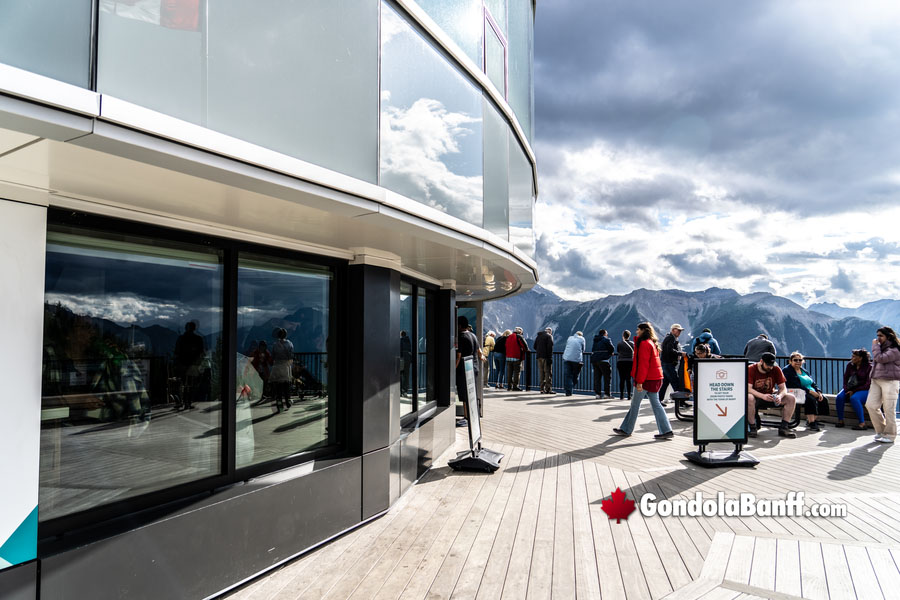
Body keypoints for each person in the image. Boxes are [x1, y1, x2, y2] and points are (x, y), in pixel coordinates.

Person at [613, 322, 673, 439]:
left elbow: (643, 365)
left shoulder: (644, 344)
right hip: (655, 378)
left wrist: (639, 381)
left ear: (643, 330)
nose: (636, 332)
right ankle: (666, 430)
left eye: (638, 330)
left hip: (646, 379)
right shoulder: (651, 343)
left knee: (635, 405)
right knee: (656, 405)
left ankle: (626, 429)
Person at [747, 352, 797, 438]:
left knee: (791, 398)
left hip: (770, 395)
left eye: (772, 365)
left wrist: (779, 396)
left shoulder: (776, 369)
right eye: (768, 365)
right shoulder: (751, 369)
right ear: (761, 361)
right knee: (749, 397)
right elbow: (749, 389)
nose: (770, 367)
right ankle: (752, 427)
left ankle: (784, 427)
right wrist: (762, 396)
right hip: (756, 396)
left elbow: (783, 388)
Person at [866, 326, 900, 444]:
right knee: (870, 405)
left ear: (888, 336)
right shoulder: (881, 348)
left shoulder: (895, 350)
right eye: (877, 336)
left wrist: (875, 346)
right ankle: (881, 431)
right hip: (876, 380)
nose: (878, 338)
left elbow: (880, 359)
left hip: (890, 381)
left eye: (881, 336)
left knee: (889, 409)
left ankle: (890, 435)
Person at [782, 352, 829, 431]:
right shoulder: (787, 370)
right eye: (795, 360)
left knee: (824, 399)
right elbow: (795, 384)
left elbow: (812, 382)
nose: (798, 362)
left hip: (809, 391)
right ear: (790, 361)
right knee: (810, 399)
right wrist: (810, 392)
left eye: (800, 360)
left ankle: (813, 419)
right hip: (795, 392)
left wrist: (819, 392)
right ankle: (812, 423)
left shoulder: (804, 371)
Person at [835, 349, 871, 429]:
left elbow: (868, 384)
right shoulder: (850, 365)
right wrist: (846, 389)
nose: (852, 358)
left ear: (860, 358)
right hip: (850, 388)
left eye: (854, 356)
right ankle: (840, 420)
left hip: (864, 390)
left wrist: (854, 391)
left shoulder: (869, 367)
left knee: (854, 398)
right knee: (839, 397)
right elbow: (845, 379)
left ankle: (862, 423)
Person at [174, 321, 206, 410]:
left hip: (183, 364)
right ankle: (188, 402)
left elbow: (177, 352)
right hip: (193, 365)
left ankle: (182, 402)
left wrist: (177, 363)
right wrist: (199, 363)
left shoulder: (181, 338)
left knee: (183, 384)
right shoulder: (198, 339)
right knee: (191, 384)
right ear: (194, 328)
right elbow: (201, 352)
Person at [455, 316, 484, 410]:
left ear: (459, 326)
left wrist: (453, 369)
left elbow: (458, 356)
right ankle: (471, 415)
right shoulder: (473, 335)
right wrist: (482, 357)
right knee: (471, 392)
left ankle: (466, 416)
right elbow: (479, 351)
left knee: (464, 394)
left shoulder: (461, 337)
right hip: (474, 367)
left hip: (463, 370)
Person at [658, 323, 685, 405]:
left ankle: (658, 401)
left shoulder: (670, 338)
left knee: (665, 383)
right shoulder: (671, 338)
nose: (680, 332)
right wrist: (680, 353)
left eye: (680, 331)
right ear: (673, 330)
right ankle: (680, 402)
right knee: (675, 382)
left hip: (666, 363)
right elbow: (669, 350)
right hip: (668, 364)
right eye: (678, 330)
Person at [270, 327, 294, 413]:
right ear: (286, 335)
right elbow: (291, 355)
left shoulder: (275, 345)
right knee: (286, 385)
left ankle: (279, 403)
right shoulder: (289, 344)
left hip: (277, 366)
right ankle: (287, 401)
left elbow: (272, 356)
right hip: (285, 366)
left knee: (278, 386)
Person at [591, 329, 615, 399]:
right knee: (607, 377)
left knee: (597, 377)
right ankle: (607, 394)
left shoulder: (595, 340)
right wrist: (610, 353)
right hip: (603, 360)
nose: (607, 335)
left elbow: (593, 349)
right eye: (606, 334)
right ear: (604, 334)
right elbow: (612, 348)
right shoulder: (606, 340)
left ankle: (598, 394)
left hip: (595, 360)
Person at [504, 326, 529, 391]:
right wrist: (526, 350)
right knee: (516, 373)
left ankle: (509, 386)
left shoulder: (508, 337)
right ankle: (515, 386)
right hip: (516, 357)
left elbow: (506, 345)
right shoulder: (519, 337)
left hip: (508, 357)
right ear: (520, 332)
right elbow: (525, 345)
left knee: (509, 372)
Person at [562, 331, 586, 396]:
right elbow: (583, 349)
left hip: (567, 358)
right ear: (581, 335)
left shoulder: (570, 338)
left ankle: (568, 391)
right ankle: (571, 386)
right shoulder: (582, 339)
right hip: (576, 360)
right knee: (575, 374)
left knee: (567, 375)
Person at [534, 326, 555, 394]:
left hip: (539, 356)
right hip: (546, 357)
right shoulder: (549, 337)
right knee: (547, 373)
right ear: (550, 332)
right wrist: (550, 358)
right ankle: (548, 389)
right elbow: (550, 348)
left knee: (541, 373)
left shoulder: (538, 336)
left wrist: (539, 351)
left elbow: (534, 346)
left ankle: (541, 389)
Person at [616, 330, 634, 399]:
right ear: (629, 336)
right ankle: (629, 395)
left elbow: (618, 351)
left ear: (623, 336)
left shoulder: (619, 344)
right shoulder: (632, 344)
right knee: (628, 379)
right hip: (630, 362)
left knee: (622, 379)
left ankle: (621, 395)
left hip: (621, 362)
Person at [400, 330, 412, 396]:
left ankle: (401, 390)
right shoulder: (408, 341)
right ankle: (405, 391)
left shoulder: (400, 340)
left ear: (401, 335)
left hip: (402, 359)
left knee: (400, 375)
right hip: (408, 360)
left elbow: (399, 349)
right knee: (406, 376)